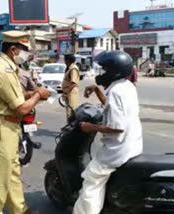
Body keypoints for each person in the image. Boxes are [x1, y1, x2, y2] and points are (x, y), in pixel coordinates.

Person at [0, 31, 51, 214]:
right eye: (25, 50)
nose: (28, 54)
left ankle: (19, 209)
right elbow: (21, 108)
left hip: (7, 125)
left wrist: (32, 94)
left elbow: (14, 96)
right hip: (1, 126)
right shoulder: (3, 70)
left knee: (12, 172)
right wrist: (38, 95)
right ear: (13, 50)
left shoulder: (9, 66)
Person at [73, 50, 143, 214]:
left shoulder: (116, 92)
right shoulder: (126, 86)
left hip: (118, 149)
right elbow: (114, 110)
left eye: (104, 69)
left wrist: (90, 127)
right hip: (133, 144)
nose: (101, 73)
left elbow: (117, 126)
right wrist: (98, 91)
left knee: (92, 178)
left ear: (114, 71)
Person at [62, 54, 80, 119]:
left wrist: (67, 92)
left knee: (71, 111)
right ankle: (70, 125)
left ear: (68, 60)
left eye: (65, 60)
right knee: (68, 111)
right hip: (68, 93)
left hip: (71, 92)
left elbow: (74, 83)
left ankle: (72, 127)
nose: (64, 62)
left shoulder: (73, 69)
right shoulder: (69, 68)